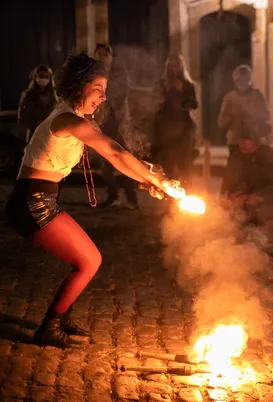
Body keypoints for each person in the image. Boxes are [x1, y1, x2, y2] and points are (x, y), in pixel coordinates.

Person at [4, 53, 167, 348]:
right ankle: (48, 328)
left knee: (86, 260)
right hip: (32, 202)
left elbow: (118, 156)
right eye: (98, 90)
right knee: (89, 260)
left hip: (39, 199)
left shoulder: (75, 118)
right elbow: (115, 153)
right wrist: (157, 180)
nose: (103, 98)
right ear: (80, 86)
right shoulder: (66, 119)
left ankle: (61, 316)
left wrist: (147, 178)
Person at [93, 44, 139, 209]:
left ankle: (132, 199)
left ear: (111, 57)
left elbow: (117, 94)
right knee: (105, 166)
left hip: (120, 125)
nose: (103, 57)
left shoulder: (120, 74)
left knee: (127, 163)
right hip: (103, 125)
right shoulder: (92, 76)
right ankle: (113, 197)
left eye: (106, 54)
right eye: (99, 54)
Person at [221, 123, 273, 229]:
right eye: (242, 140)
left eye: (248, 140)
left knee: (271, 216)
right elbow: (227, 184)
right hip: (241, 203)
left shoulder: (270, 156)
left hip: (265, 203)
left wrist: (260, 196)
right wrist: (232, 195)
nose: (244, 143)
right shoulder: (235, 158)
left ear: (256, 141)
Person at [152, 54, 199, 185]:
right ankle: (170, 198)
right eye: (171, 65)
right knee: (168, 164)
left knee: (184, 163)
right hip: (166, 129)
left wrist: (181, 93)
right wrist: (166, 93)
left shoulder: (188, 85)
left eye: (176, 65)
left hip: (184, 128)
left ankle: (188, 194)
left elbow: (194, 104)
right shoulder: (161, 84)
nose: (174, 69)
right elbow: (155, 104)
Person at [217, 64, 270, 156]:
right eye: (238, 80)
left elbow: (265, 115)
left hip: (254, 141)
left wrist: (252, 116)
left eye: (245, 80)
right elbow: (221, 122)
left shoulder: (257, 96)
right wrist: (232, 115)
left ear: (250, 81)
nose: (242, 83)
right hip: (236, 141)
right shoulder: (230, 98)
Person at [17, 65, 58, 142]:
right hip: (34, 135)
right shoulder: (28, 95)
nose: (43, 79)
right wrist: (37, 123)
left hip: (51, 135)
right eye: (41, 76)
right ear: (35, 77)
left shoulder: (54, 97)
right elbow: (22, 117)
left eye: (46, 76)